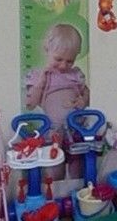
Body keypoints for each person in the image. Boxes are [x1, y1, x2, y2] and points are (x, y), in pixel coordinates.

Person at [25, 23, 89, 178]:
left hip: (76, 127)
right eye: (58, 59)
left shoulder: (75, 74)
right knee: (54, 160)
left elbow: (87, 92)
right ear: (47, 49)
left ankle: (77, 186)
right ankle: (56, 187)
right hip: (53, 130)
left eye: (70, 61)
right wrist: (41, 82)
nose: (63, 65)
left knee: (77, 162)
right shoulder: (39, 75)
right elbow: (30, 104)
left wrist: (83, 100)